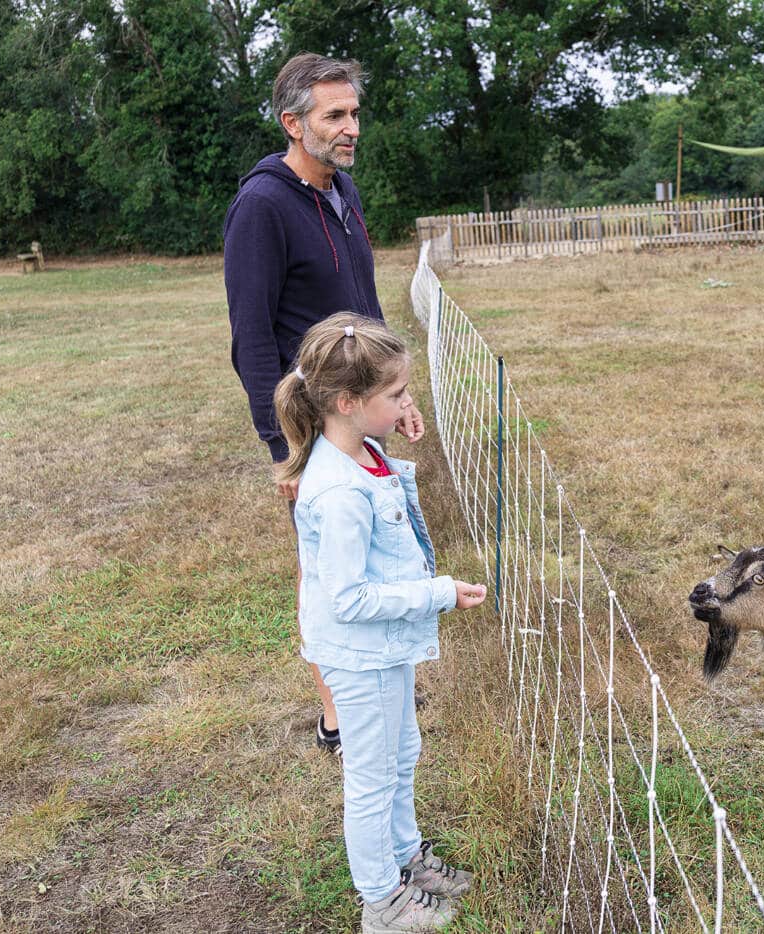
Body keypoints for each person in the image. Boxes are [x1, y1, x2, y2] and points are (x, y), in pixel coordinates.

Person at [224, 52, 424, 753]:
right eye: (334, 115)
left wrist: (396, 397)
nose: (351, 128)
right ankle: (339, 717)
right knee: (325, 567)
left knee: (371, 548)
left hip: (360, 412)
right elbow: (250, 337)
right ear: (293, 123)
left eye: (354, 114)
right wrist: (281, 448)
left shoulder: (345, 192)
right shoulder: (262, 206)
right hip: (312, 426)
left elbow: (364, 309)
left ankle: (370, 676)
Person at [274, 312, 485, 932]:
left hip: (383, 647)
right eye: (394, 395)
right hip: (358, 651)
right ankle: (380, 900)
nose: (405, 404)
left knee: (402, 752)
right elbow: (348, 599)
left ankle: (404, 858)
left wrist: (393, 411)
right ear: (347, 401)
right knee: (371, 775)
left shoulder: (364, 449)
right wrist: (435, 593)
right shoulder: (338, 493)